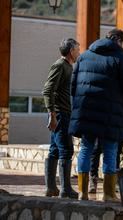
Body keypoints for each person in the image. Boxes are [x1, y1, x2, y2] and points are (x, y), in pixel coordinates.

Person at [69, 28, 123, 201]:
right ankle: (108, 193)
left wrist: (78, 105)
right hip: (110, 112)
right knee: (110, 149)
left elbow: (73, 85)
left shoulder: (84, 56)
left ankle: (82, 192)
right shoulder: (119, 57)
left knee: (86, 147)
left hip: (85, 110)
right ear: (119, 41)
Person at [42, 38, 80, 199]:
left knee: (55, 150)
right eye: (78, 49)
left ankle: (51, 188)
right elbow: (47, 90)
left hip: (64, 114)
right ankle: (65, 189)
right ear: (71, 51)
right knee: (66, 150)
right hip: (60, 114)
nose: (79, 52)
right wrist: (52, 114)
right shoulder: (60, 65)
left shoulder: (68, 67)